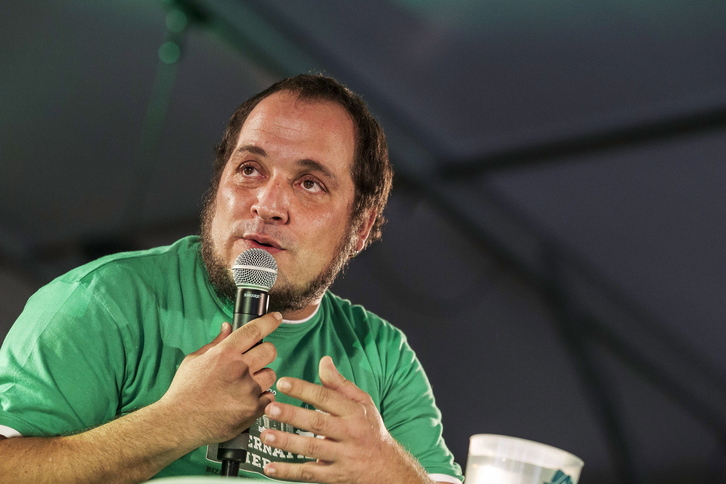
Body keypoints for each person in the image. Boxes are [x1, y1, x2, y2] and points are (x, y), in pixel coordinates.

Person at [0, 74, 463, 483]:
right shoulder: (105, 302)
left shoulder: (383, 356)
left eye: (309, 183)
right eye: (249, 169)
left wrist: (388, 472)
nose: (266, 203)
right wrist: (173, 422)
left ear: (361, 228)